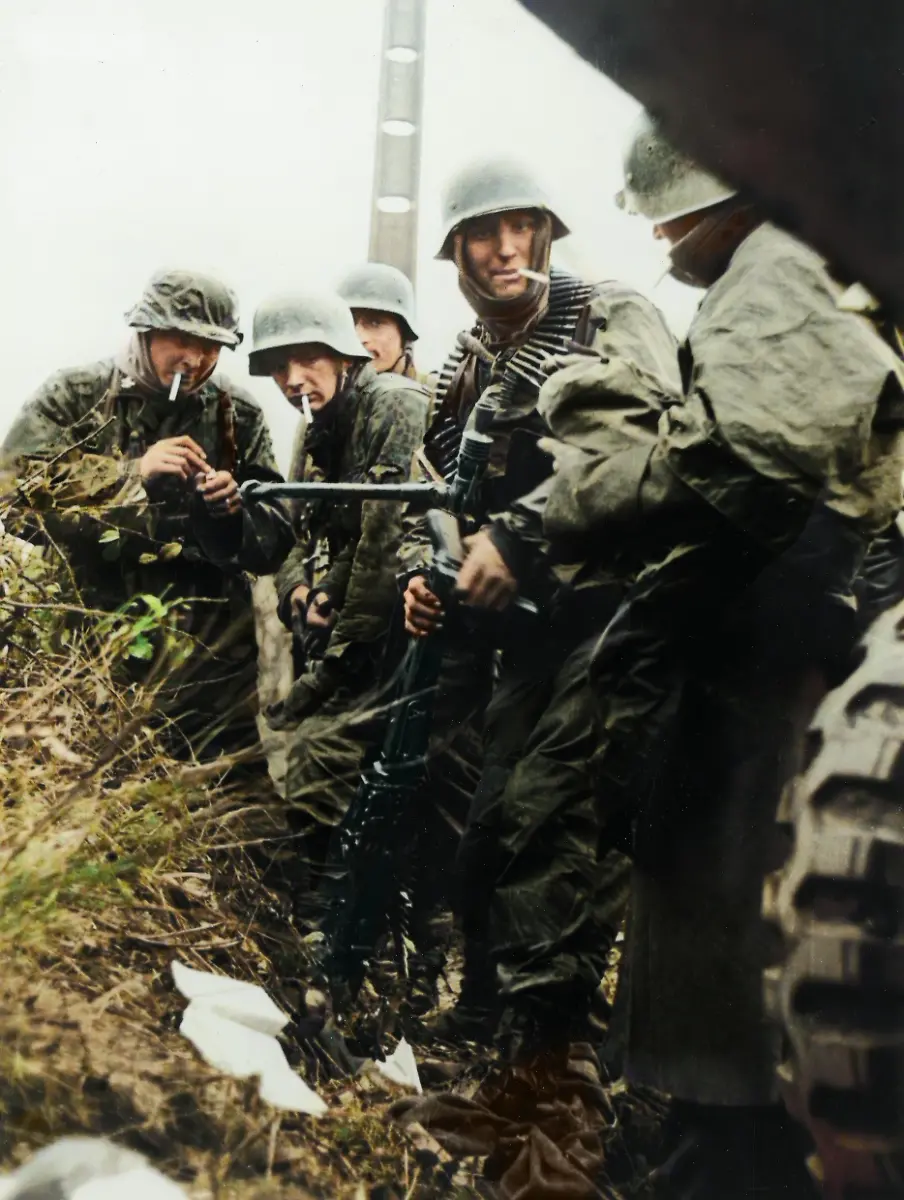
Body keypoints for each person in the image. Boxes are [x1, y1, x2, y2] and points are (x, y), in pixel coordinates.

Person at [530, 113, 904, 1197]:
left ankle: (725, 1162)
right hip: (770, 636)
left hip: (773, 646)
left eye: (667, 218)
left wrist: (589, 491)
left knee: (728, 910)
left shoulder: (775, 265)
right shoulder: (797, 266)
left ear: (721, 193)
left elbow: (738, 464)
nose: (660, 242)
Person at [398, 157, 681, 1044]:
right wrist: (428, 573)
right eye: (484, 232)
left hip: (614, 618)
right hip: (525, 634)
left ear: (547, 233)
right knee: (489, 829)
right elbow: (441, 496)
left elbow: (647, 448)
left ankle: (549, 1056)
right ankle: (485, 1017)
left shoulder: (609, 313)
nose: (507, 247)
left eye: (524, 227)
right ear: (456, 252)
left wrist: (517, 534)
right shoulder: (466, 364)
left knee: (558, 826)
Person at [0, 268, 294, 764]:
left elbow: (274, 541)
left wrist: (231, 513)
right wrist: (131, 476)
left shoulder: (237, 412)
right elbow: (13, 496)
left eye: (211, 344)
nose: (195, 358)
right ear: (146, 331)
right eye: (180, 338)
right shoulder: (76, 395)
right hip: (93, 656)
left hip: (211, 671)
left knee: (231, 823)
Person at [253, 290, 429, 921]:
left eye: (308, 360)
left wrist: (337, 664)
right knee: (317, 774)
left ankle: (359, 942)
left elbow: (384, 536)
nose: (294, 379)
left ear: (343, 358)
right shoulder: (315, 422)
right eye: (279, 367)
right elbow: (296, 523)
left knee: (394, 794)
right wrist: (300, 591)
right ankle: (319, 928)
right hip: (346, 623)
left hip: (408, 621)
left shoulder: (393, 403)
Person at [335, 262, 422, 379]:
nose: (359, 338)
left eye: (375, 323)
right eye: (349, 322)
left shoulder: (435, 395)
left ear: (404, 335)